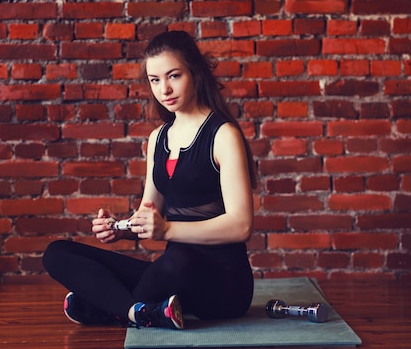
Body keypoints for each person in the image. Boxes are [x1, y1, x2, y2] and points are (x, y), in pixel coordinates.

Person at [42, 30, 257, 330]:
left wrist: (167, 229)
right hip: (170, 275)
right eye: (155, 80)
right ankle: (139, 313)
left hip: (223, 285)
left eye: (174, 76)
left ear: (194, 73)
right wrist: (122, 229)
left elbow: (242, 225)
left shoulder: (223, 135)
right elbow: (148, 214)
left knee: (176, 260)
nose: (164, 89)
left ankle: (106, 308)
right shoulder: (158, 139)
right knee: (57, 253)